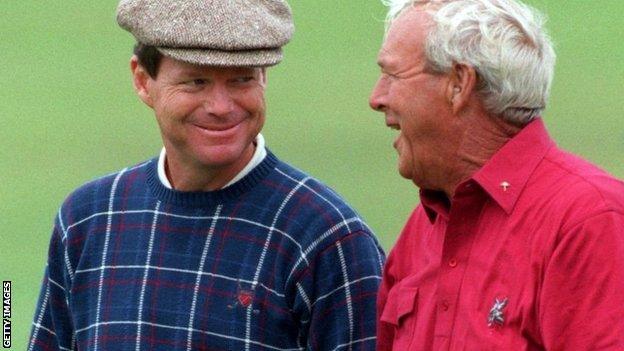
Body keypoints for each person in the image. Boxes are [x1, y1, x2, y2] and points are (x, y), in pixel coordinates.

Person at [28, 1, 384, 350]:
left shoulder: (327, 237)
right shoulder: (88, 220)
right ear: (142, 80)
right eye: (195, 82)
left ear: (264, 77)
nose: (221, 106)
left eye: (241, 80)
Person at [369, 0, 624, 350]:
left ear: (459, 84)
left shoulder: (587, 220)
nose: (376, 97)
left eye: (393, 75)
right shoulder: (423, 226)